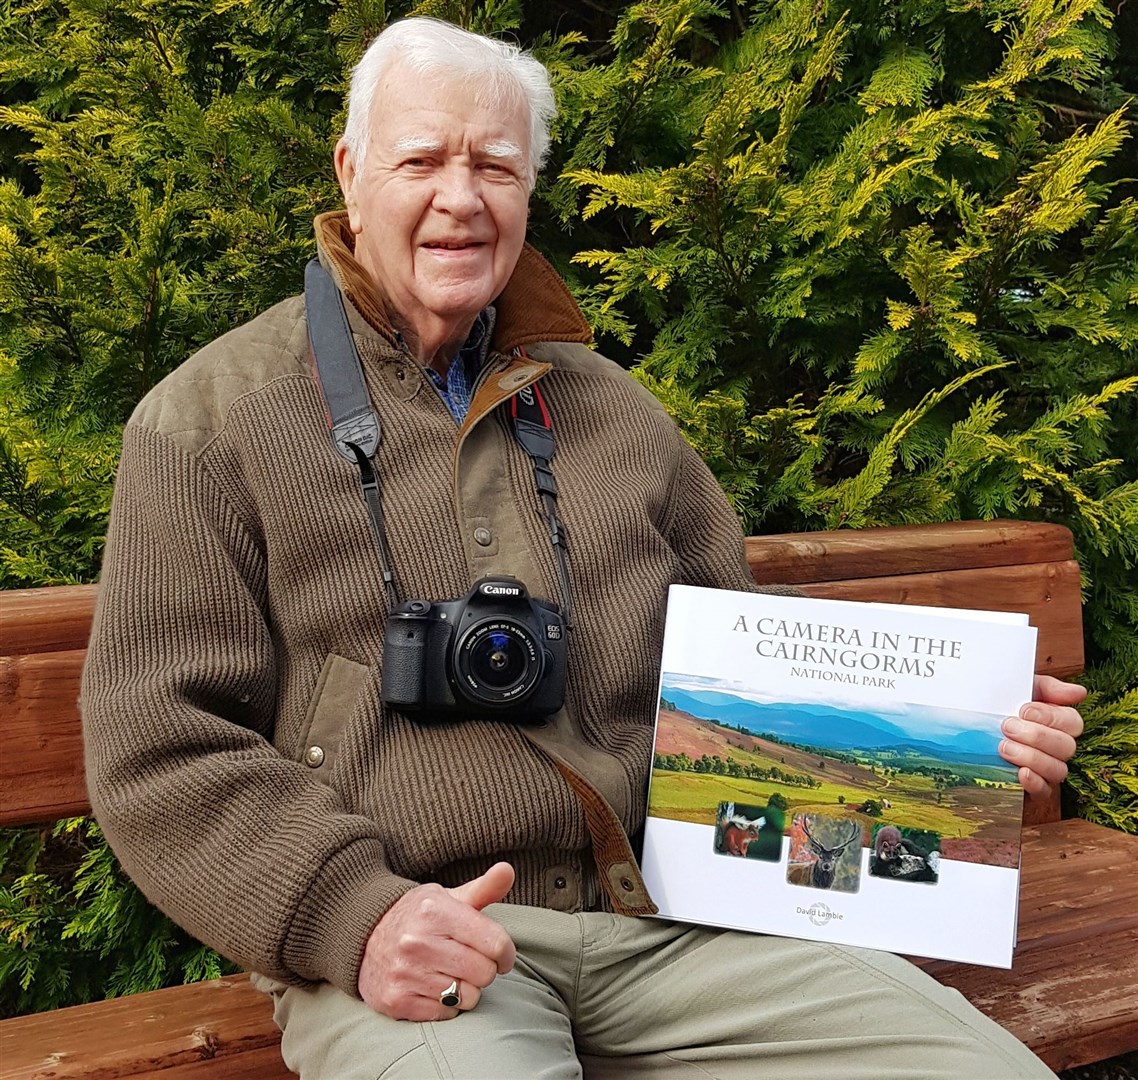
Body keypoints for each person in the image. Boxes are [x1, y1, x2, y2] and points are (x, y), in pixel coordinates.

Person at [81, 17, 1086, 1080]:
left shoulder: (614, 412)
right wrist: (354, 915)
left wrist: (955, 756)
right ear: (351, 169)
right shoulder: (210, 421)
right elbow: (160, 742)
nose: (459, 198)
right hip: (419, 943)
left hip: (676, 920)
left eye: (495, 166)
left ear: (528, 190)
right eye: (421, 159)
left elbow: (749, 699)